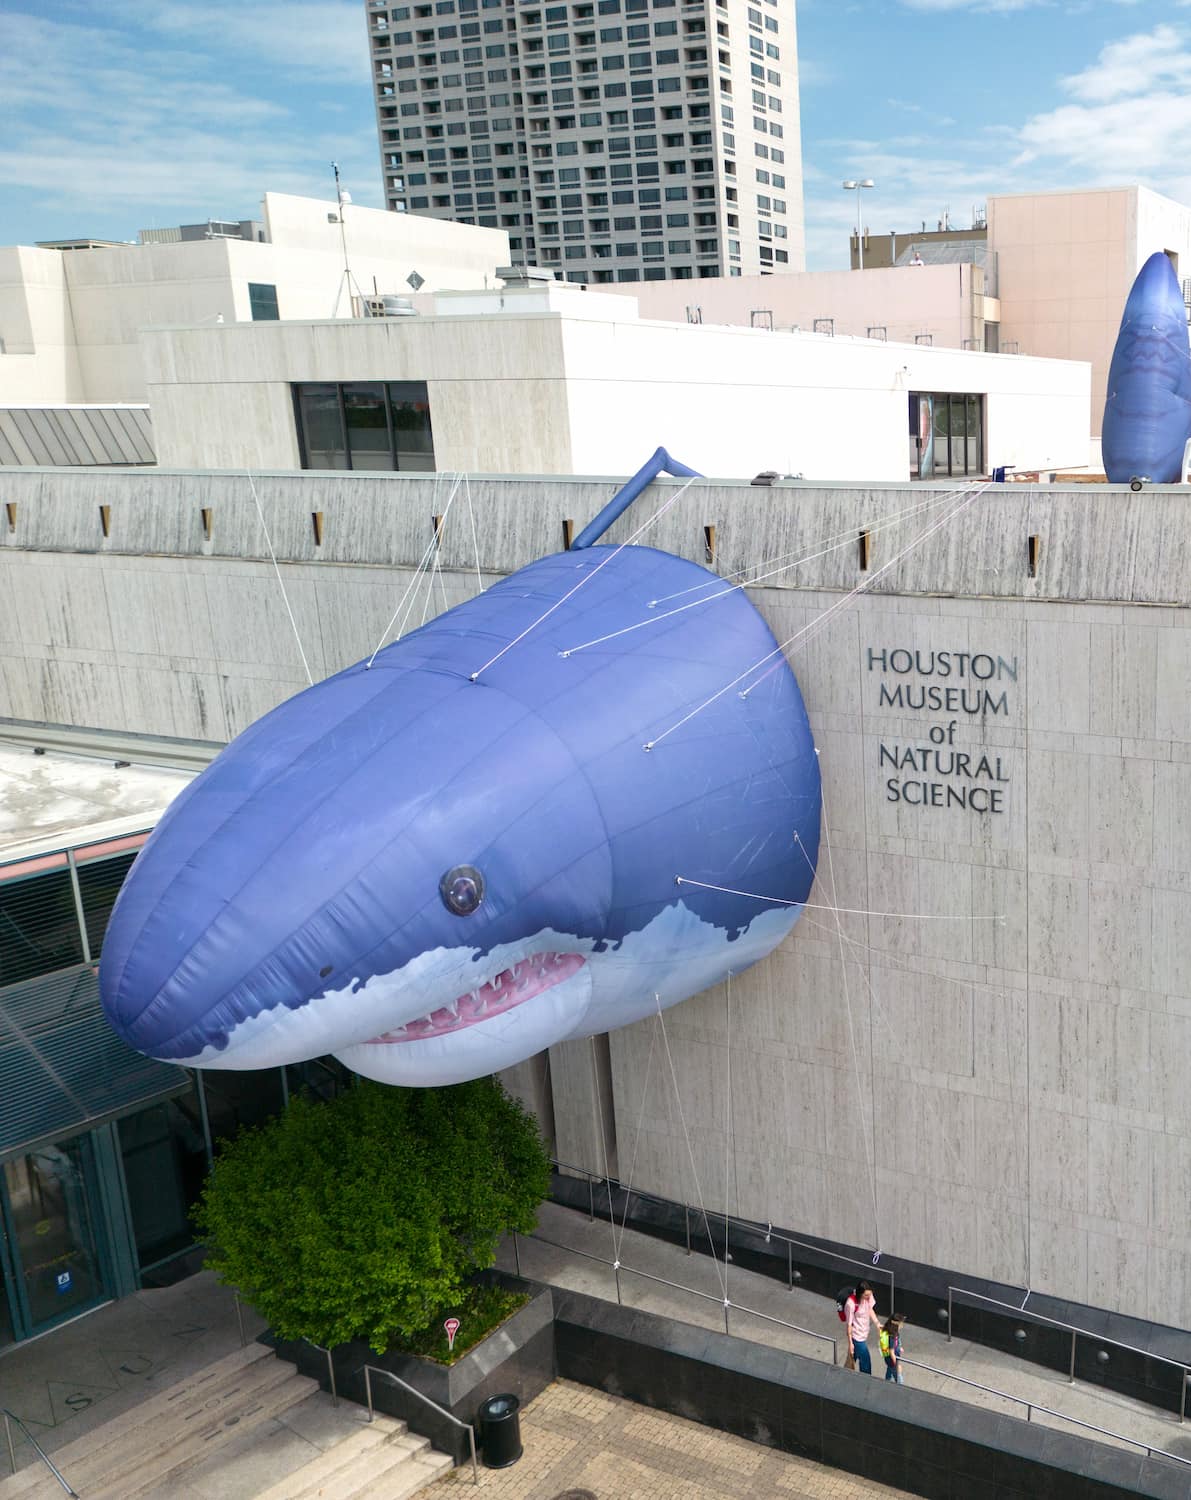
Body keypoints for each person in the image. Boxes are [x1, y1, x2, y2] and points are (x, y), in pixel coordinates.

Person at [844, 1280, 877, 1373]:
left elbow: (870, 1309)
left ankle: (845, 1374)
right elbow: (849, 1325)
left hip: (864, 1333)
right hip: (857, 1336)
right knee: (866, 1361)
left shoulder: (868, 1297)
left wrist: (877, 1323)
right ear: (860, 1293)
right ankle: (866, 1381)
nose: (868, 1297)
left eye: (869, 1295)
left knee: (852, 1358)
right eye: (866, 1295)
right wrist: (850, 1343)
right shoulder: (851, 1304)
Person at [880, 1313, 905, 1383]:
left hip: (892, 1357)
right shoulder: (891, 1336)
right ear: (896, 1325)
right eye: (901, 1324)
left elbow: (897, 1341)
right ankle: (901, 1388)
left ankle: (887, 1381)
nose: (902, 1325)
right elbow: (891, 1352)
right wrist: (896, 1365)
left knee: (889, 1371)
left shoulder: (894, 1332)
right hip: (892, 1358)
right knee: (898, 1376)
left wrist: (899, 1347)